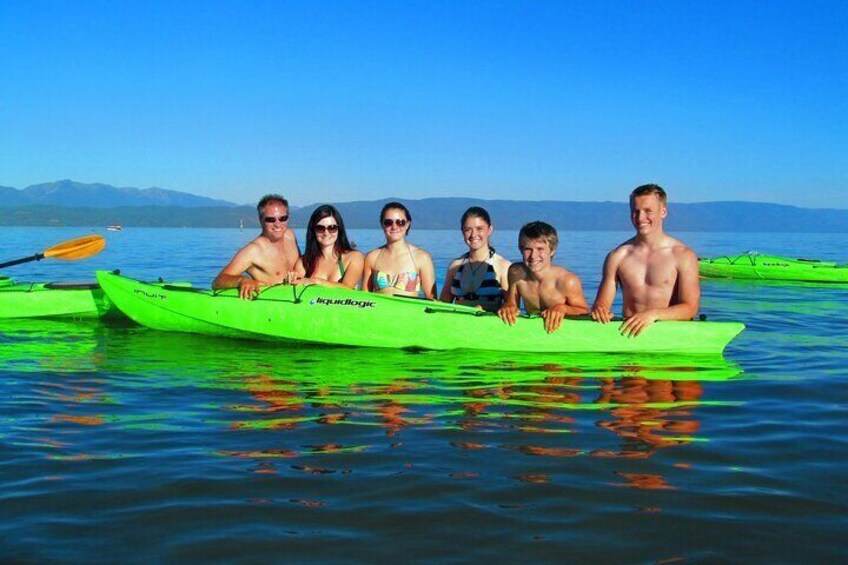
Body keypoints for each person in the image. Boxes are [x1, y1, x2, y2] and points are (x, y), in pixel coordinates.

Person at [590, 184, 700, 336]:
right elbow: (601, 304)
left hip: (670, 335)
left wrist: (652, 315)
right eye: (636, 211)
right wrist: (600, 311)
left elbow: (690, 307)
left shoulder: (683, 256)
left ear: (663, 212)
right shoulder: (617, 256)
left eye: (648, 211)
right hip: (628, 334)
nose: (641, 218)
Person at [498, 221, 589, 333]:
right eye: (528, 249)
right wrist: (508, 307)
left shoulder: (567, 281)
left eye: (540, 249)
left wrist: (563, 308)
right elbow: (512, 303)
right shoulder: (516, 273)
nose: (533, 256)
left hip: (563, 333)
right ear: (520, 249)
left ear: (552, 251)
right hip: (533, 334)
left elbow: (584, 311)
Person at [212, 194, 300, 299]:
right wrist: (242, 280)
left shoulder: (290, 235)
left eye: (283, 218)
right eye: (271, 220)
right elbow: (218, 281)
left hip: (299, 297)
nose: (278, 224)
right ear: (261, 220)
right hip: (274, 303)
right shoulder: (252, 251)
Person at [439, 206, 511, 311]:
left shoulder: (503, 266)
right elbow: (444, 304)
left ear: (490, 229)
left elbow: (511, 306)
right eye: (468, 230)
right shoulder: (455, 266)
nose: (473, 234)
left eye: (479, 229)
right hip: (458, 325)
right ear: (462, 232)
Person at [362, 201, 437, 299]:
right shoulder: (372, 257)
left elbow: (432, 299)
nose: (394, 226)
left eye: (400, 222)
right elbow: (364, 297)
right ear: (382, 225)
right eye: (388, 222)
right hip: (379, 313)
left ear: (407, 224)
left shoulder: (422, 258)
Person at [286, 204, 364, 288]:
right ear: (313, 230)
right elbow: (295, 288)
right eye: (320, 228)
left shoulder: (354, 257)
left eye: (332, 228)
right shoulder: (303, 263)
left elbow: (347, 288)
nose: (326, 233)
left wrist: (316, 281)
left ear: (339, 230)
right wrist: (291, 278)